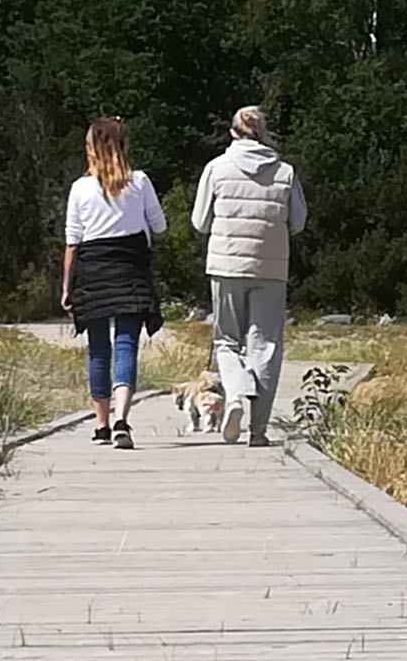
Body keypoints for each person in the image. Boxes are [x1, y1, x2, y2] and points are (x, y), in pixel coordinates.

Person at [192, 105, 307, 446]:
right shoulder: (285, 171)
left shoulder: (216, 168)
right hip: (271, 268)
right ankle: (258, 431)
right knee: (265, 345)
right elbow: (298, 221)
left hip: (226, 266)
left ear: (232, 132)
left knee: (226, 340)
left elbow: (200, 221)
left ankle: (237, 396)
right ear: (263, 132)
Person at [63, 118, 168, 450]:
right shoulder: (140, 182)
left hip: (92, 270)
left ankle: (101, 425)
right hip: (130, 267)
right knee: (126, 345)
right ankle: (123, 418)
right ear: (124, 147)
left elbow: (72, 242)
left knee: (98, 350)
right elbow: (160, 226)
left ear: (92, 149)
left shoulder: (80, 188)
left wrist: (67, 287)